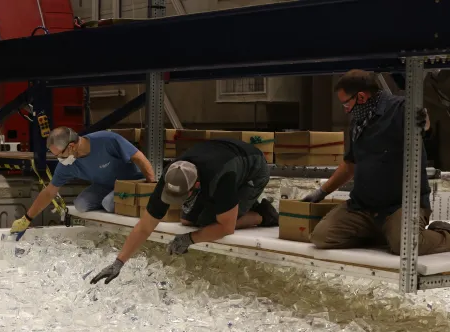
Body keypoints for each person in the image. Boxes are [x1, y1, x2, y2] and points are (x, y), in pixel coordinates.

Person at [91, 138, 279, 284]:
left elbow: (226, 227)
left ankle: (263, 214)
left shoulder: (222, 177)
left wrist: (190, 239)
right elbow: (144, 226)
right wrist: (119, 263)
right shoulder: (172, 174)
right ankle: (233, 205)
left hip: (251, 169)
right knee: (188, 221)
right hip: (219, 157)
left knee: (211, 222)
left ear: (196, 185)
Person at [303, 69, 450, 255]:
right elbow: (350, 164)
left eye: (346, 103)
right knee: (321, 237)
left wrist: (425, 123)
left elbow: (425, 131)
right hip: (363, 207)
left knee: (406, 246)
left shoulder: (402, 109)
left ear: (362, 97)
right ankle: (385, 233)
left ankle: (444, 233)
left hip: (400, 207)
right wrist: (322, 192)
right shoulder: (359, 122)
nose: (345, 109)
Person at [10, 127, 155, 239]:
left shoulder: (107, 140)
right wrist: (27, 218)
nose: (59, 159)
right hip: (104, 185)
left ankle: (116, 203)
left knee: (108, 203)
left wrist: (151, 187)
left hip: (129, 182)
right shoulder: (67, 164)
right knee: (81, 204)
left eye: (59, 154)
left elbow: (140, 158)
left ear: (72, 146)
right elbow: (50, 192)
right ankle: (113, 202)